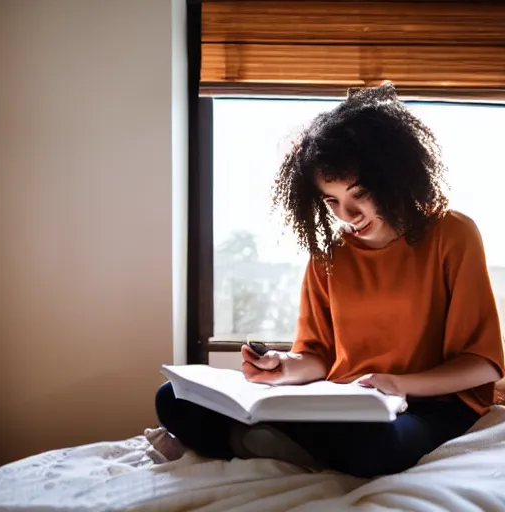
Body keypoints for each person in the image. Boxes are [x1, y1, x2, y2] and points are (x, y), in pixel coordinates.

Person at [147, 82, 505, 478]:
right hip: (348, 402)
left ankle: (262, 444)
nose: (346, 214)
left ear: (394, 176)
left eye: (359, 195)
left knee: (378, 446)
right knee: (174, 400)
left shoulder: (452, 234)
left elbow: (483, 364)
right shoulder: (329, 255)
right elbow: (318, 358)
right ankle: (283, 444)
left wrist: (398, 383)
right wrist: (281, 367)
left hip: (434, 402)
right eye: (331, 201)